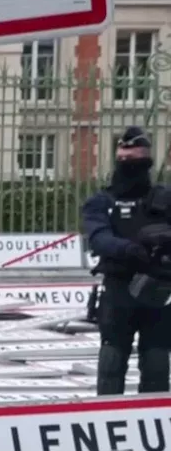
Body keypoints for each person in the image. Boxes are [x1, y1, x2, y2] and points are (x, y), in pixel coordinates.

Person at [82, 125, 171, 395]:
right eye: (124, 158)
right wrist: (130, 249)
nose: (129, 164)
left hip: (158, 290)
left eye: (136, 159)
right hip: (119, 289)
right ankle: (107, 422)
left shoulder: (164, 200)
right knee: (111, 361)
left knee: (157, 364)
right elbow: (98, 238)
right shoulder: (102, 201)